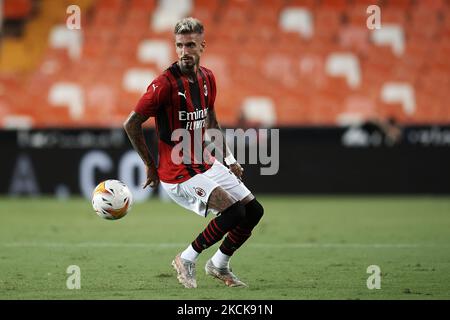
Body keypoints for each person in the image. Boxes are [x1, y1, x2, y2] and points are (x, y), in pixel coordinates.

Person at [123, 17, 264, 288]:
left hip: (205, 162)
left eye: (190, 45)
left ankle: (219, 264)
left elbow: (211, 121)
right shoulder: (164, 85)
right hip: (177, 172)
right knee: (233, 213)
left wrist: (230, 159)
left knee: (254, 211)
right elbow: (131, 124)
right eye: (179, 46)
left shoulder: (208, 77)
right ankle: (186, 258)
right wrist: (151, 166)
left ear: (202, 46)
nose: (185, 52)